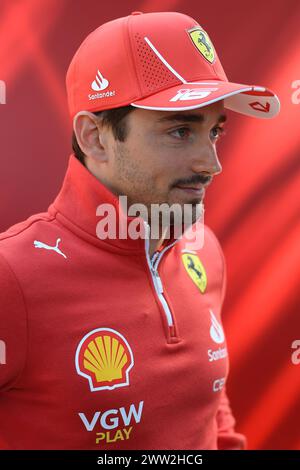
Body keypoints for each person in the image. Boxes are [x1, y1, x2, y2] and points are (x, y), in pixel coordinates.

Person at [0, 11, 280, 450]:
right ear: (95, 137)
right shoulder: (10, 276)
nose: (211, 164)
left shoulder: (203, 251)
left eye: (215, 132)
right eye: (181, 131)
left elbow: (209, 405)